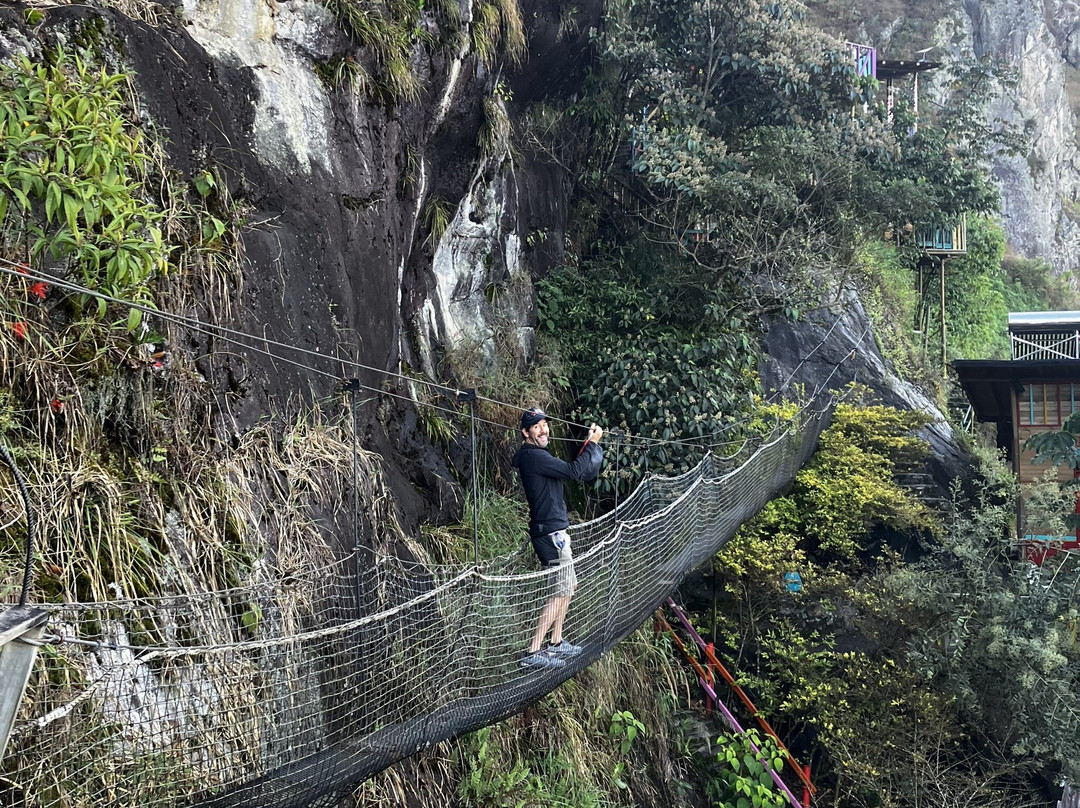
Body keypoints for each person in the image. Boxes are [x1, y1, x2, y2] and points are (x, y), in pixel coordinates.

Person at [511, 406, 604, 670]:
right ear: (526, 433)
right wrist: (593, 444)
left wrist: (588, 445)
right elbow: (575, 472)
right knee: (560, 590)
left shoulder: (538, 455)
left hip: (557, 532)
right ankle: (532, 651)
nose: (543, 429)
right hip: (550, 535)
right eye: (537, 426)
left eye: (545, 424)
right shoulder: (533, 457)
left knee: (569, 587)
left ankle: (556, 641)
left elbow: (573, 469)